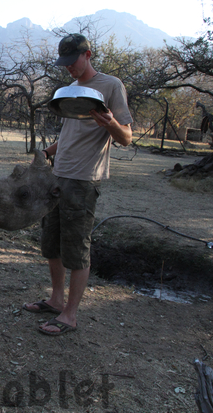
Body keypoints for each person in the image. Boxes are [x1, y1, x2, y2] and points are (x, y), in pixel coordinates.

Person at [22, 33, 133, 336]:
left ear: (88, 55)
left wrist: (111, 123)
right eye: (65, 63)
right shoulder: (71, 91)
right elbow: (69, 135)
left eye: (73, 61)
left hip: (83, 179)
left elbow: (126, 137)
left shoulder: (110, 86)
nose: (69, 67)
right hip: (57, 175)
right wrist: (47, 153)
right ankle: (56, 300)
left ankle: (70, 316)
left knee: (76, 248)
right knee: (52, 243)